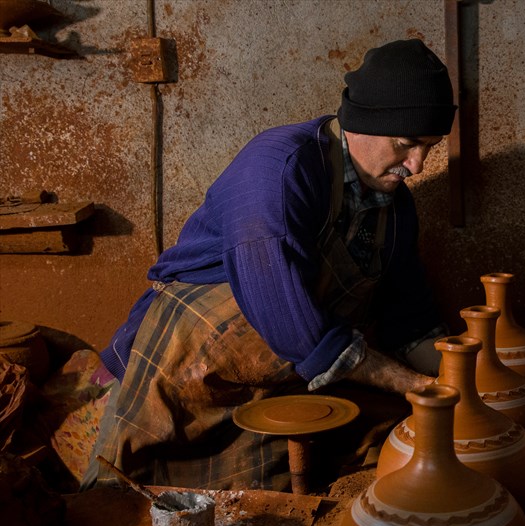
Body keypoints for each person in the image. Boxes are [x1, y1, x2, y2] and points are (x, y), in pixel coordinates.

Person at [84, 39, 457, 491]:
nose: (417, 165)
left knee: (364, 449)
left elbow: (409, 321)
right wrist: (413, 384)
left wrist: (461, 377)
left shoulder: (396, 210)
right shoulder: (280, 167)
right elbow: (284, 313)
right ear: (362, 124)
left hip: (280, 383)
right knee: (125, 501)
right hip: (182, 372)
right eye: (406, 144)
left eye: (430, 147)